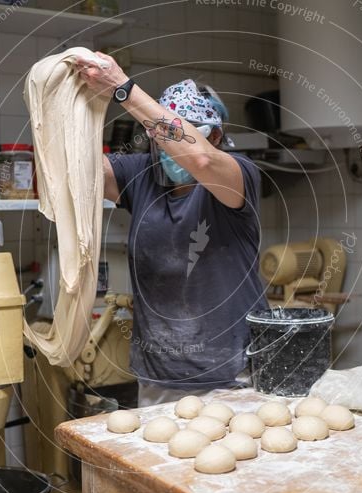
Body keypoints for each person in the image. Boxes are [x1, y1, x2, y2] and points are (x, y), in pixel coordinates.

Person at [76, 52, 268, 407]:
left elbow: (200, 159)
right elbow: (77, 167)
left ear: (216, 136)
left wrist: (120, 86)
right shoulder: (143, 175)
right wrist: (75, 97)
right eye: (160, 140)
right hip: (158, 376)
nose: (170, 152)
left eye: (180, 137)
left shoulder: (237, 175)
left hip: (232, 378)